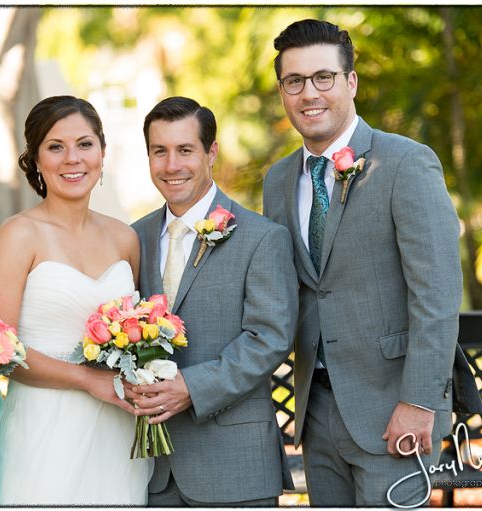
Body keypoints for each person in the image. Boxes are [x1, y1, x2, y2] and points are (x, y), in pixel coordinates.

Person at [262, 19, 464, 506]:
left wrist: (418, 403)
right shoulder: (278, 181)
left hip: (393, 409)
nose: (309, 93)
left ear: (350, 82)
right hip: (316, 411)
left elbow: (436, 296)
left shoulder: (404, 163)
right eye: (294, 81)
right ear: (284, 92)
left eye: (323, 77)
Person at [0, 95, 151, 505]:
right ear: (36, 159)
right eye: (55, 147)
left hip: (118, 426)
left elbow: (140, 329)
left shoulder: (125, 237)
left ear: (103, 153)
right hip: (45, 423)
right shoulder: (18, 235)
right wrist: (88, 380)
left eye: (85, 144)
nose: (72, 158)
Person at [128, 96, 297, 506]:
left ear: (211, 153)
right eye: (159, 151)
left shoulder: (261, 237)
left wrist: (192, 386)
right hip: (152, 469)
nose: (172, 165)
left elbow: (269, 338)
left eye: (185, 150)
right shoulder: (134, 237)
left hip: (234, 465)